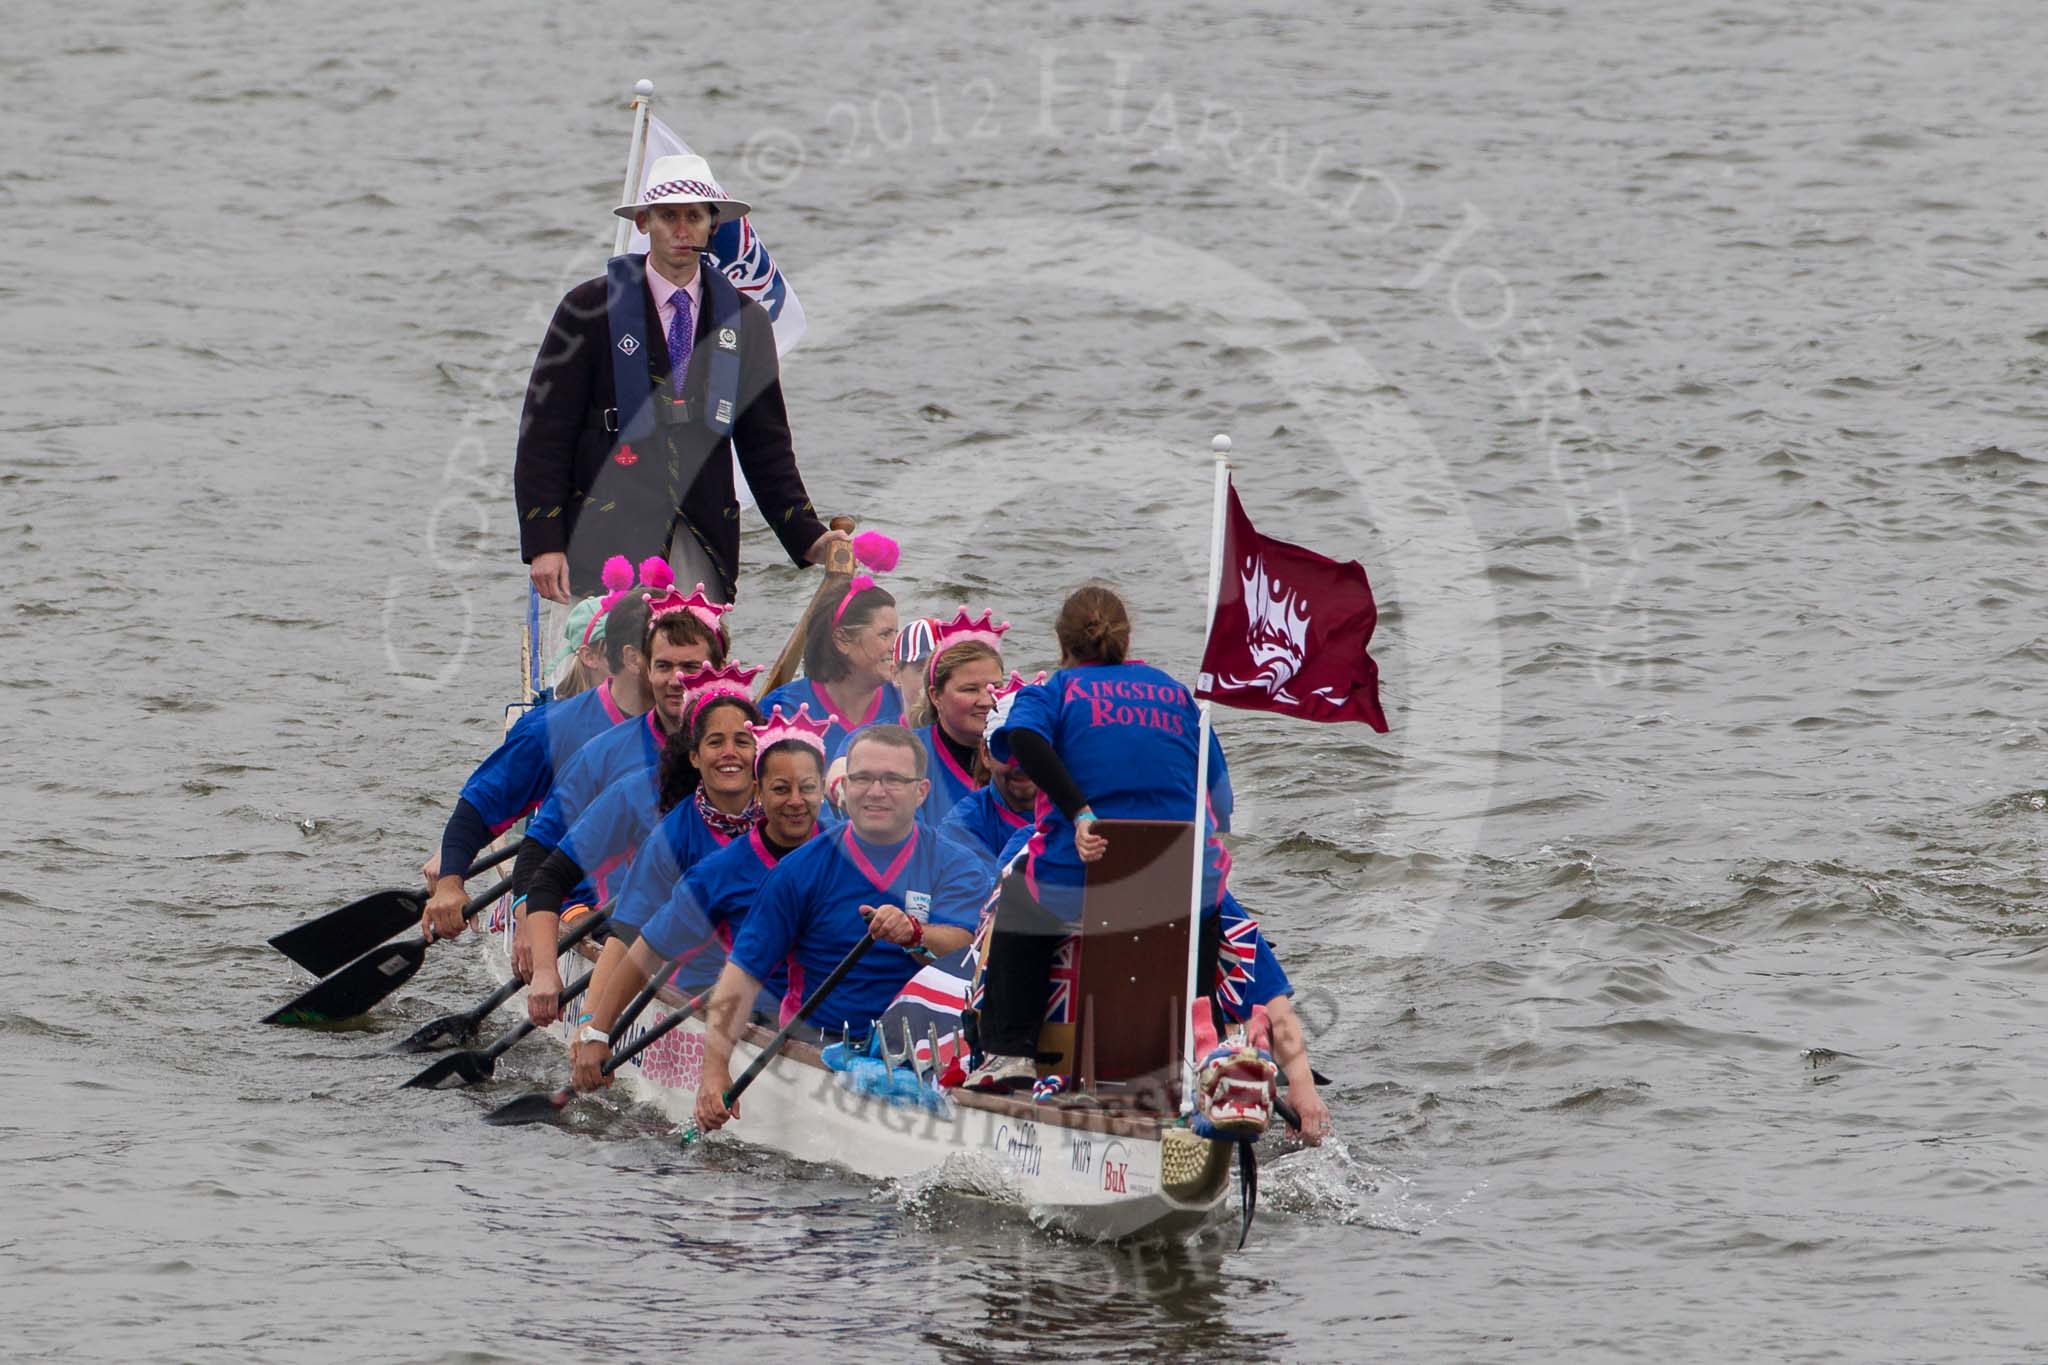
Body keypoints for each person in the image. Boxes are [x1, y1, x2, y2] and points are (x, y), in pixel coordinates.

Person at [513, 152, 848, 605]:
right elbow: (544, 433)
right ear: (645, 224)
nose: (681, 229)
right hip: (604, 529)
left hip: (701, 528)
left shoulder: (746, 322)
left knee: (692, 666)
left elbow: (765, 445)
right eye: (668, 216)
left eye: (694, 216)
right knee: (604, 665)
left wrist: (809, 536)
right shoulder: (586, 309)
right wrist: (545, 543)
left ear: (713, 224)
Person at [964, 585, 1231, 1091]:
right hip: (1181, 886)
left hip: (1084, 877)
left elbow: (1021, 739)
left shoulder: (1054, 692)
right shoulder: (1177, 694)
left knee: (1019, 894)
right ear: (1126, 641)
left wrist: (1080, 811)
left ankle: (1009, 1054)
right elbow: (1221, 802)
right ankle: (1203, 1048)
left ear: (1062, 643)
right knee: (1208, 893)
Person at [692, 725, 985, 1133]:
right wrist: (714, 1072)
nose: (876, 791)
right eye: (863, 778)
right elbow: (741, 977)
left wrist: (915, 934)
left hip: (929, 1054)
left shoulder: (958, 866)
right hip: (826, 1050)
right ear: (845, 787)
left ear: (921, 791)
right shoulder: (799, 871)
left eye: (893, 780)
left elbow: (968, 947)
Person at [568, 705, 833, 1091]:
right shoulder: (714, 866)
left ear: (824, 789)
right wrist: (595, 1030)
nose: (795, 800)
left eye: (807, 788)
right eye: (781, 788)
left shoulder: (846, 849)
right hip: (741, 1013)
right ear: (759, 789)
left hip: (831, 1018)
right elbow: (638, 943)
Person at [418, 589, 656, 941]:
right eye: (671, 662)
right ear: (633, 658)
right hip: (581, 903)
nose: (688, 676)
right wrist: (452, 880)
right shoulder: (553, 728)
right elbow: (480, 808)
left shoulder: (703, 731)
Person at [526, 676, 761, 1025]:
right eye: (715, 741)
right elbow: (624, 932)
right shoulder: (667, 826)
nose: (729, 753)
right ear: (693, 755)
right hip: (685, 980)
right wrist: (591, 1022)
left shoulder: (791, 815)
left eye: (742, 741)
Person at [757, 576, 902, 761]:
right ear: (842, 640)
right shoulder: (782, 710)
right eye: (885, 634)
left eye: (896, 633)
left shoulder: (905, 702)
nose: (896, 645)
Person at [908, 610, 1008, 827]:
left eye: (995, 687)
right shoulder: (908, 755)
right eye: (970, 689)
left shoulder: (1025, 749)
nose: (986, 701)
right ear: (935, 696)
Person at [936, 673, 1044, 872]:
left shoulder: (1092, 810)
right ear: (985, 754)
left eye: (1036, 748)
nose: (1021, 763)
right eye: (1007, 749)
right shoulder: (961, 827)